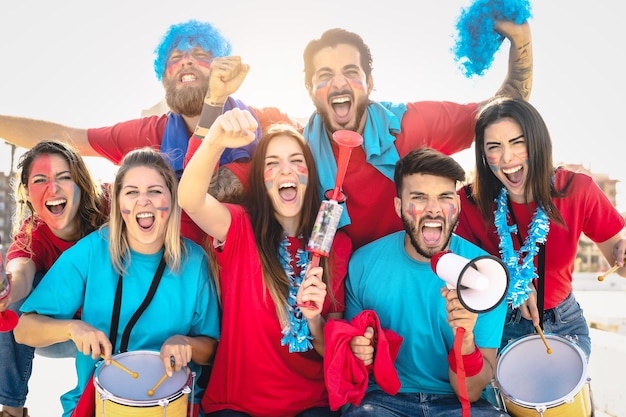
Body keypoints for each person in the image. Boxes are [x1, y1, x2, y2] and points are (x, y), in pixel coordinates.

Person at [208, 19, 532, 251]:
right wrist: (214, 106)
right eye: (325, 75)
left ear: (370, 82)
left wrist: (521, 38)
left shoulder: (408, 124)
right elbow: (203, 192)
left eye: (351, 72)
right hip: (342, 297)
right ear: (309, 91)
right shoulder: (295, 154)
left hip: (417, 273)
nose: (339, 84)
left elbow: (506, 108)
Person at [0, 19, 297, 246]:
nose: (187, 61)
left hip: (251, 282)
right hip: (179, 285)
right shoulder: (149, 133)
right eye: (175, 58)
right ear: (163, 75)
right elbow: (68, 138)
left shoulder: (267, 122)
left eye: (200, 54)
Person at [14, 147, 220, 417]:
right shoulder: (90, 252)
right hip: (96, 405)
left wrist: (187, 344)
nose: (142, 201)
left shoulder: (195, 262)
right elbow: (23, 330)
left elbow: (211, 349)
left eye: (155, 191)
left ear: (172, 200)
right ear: (118, 203)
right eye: (131, 192)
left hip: (172, 406)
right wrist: (72, 329)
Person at [178, 109, 352, 416]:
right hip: (237, 404)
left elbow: (329, 351)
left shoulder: (337, 246)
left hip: (312, 404)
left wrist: (313, 319)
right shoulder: (239, 227)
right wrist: (217, 137)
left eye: (296, 161)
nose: (286, 171)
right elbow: (190, 199)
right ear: (262, 180)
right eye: (272, 164)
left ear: (309, 173)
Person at [455, 97, 626, 359]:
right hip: (498, 325)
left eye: (517, 142)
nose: (507, 157)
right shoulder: (468, 202)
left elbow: (621, 264)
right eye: (494, 147)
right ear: (483, 155)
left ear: (537, 142)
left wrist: (623, 256)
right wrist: (509, 283)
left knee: (566, 399)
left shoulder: (577, 189)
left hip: (565, 323)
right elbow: (461, 276)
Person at [343, 148, 508, 416]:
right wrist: (359, 349)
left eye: (444, 197)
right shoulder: (363, 264)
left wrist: (465, 342)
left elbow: (472, 391)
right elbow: (352, 362)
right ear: (398, 206)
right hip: (384, 399)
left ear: (456, 204)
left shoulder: (487, 274)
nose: (433, 209)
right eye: (419, 197)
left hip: (457, 402)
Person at [0, 140, 109, 417]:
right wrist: (6, 289)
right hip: (62, 332)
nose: (54, 188)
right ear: (25, 191)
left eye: (64, 177)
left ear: (81, 183)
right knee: (8, 309)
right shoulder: (32, 235)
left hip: (117, 324)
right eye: (40, 180)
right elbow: (20, 274)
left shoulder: (113, 207)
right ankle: (11, 410)